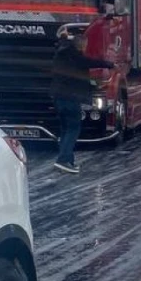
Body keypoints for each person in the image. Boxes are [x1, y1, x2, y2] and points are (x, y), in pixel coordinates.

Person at [49, 30, 114, 174]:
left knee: (65, 129)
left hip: (58, 97)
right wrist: (109, 64)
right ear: (81, 46)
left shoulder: (61, 54)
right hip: (70, 98)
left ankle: (68, 161)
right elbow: (91, 62)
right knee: (73, 129)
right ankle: (63, 160)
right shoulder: (77, 57)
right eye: (85, 46)